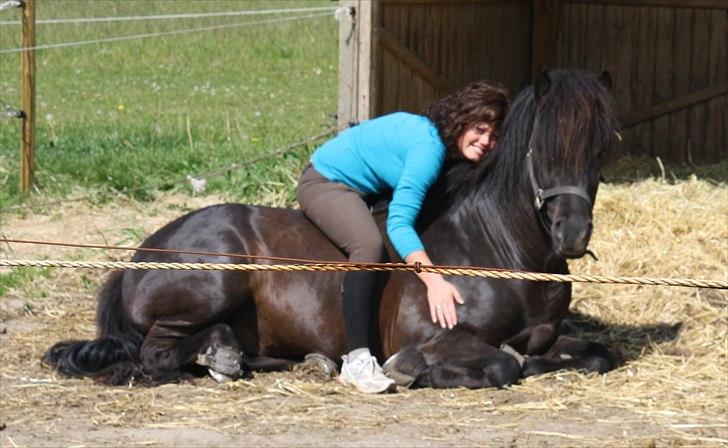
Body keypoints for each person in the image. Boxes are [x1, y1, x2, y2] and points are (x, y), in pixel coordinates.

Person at [297, 80, 509, 393]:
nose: (485, 141)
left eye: (493, 136)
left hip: (365, 189)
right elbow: (398, 223)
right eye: (479, 129)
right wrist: (434, 281)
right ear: (461, 122)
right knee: (367, 245)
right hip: (327, 182)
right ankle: (356, 361)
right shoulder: (429, 152)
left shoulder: (439, 142)